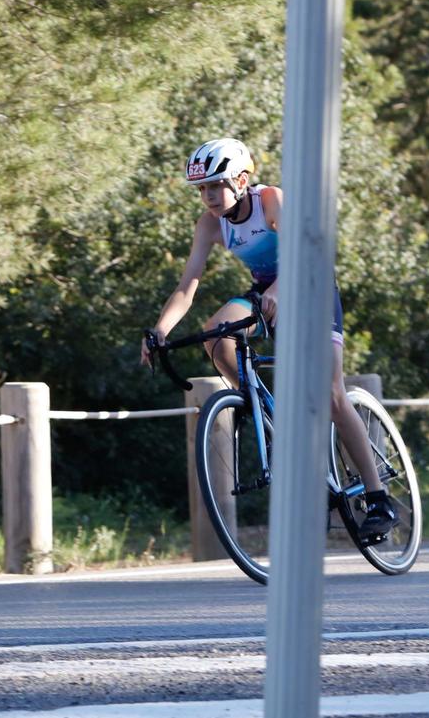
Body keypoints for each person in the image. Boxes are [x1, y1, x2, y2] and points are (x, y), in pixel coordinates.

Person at [140, 137, 399, 542]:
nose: (207, 196)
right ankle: (264, 412)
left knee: (331, 394)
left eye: (215, 185)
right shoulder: (210, 223)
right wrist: (159, 331)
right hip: (267, 294)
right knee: (215, 336)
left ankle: (378, 497)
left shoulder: (270, 200)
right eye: (201, 189)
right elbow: (187, 285)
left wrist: (279, 289)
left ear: (242, 180)